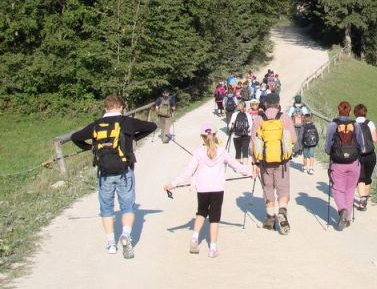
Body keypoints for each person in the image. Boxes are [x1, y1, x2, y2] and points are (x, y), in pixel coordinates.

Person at [71, 94, 156, 258]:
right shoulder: (127, 122)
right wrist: (134, 137)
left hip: (104, 173)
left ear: (105, 108)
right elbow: (151, 126)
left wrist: (91, 148)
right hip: (125, 171)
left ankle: (111, 243)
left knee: (106, 208)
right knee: (127, 206)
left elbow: (76, 137)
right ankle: (125, 234)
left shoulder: (96, 125)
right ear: (122, 107)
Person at [164, 123, 251, 258]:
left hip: (202, 189)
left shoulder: (198, 152)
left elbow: (188, 171)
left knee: (201, 213)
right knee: (214, 218)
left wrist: (173, 183)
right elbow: (236, 166)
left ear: (202, 137)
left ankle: (194, 237)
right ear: (215, 135)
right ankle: (213, 249)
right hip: (217, 189)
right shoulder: (222, 151)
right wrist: (249, 172)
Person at [251, 92, 296, 235]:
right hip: (282, 162)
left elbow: (252, 145)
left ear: (264, 104)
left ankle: (270, 219)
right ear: (278, 103)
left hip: (264, 162)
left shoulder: (258, 120)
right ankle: (282, 210)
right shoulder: (285, 118)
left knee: (268, 189)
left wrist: (255, 163)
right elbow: (293, 139)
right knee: (283, 189)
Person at [324, 101, 365, 230]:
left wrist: (331, 152)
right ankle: (347, 219)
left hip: (338, 163)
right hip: (354, 163)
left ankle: (342, 211)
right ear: (349, 111)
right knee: (350, 190)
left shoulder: (333, 125)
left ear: (338, 110)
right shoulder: (356, 125)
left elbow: (327, 145)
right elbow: (362, 145)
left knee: (338, 189)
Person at [353, 104, 377, 211]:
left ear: (355, 113)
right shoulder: (370, 123)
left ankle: (362, 200)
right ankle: (365, 200)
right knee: (367, 178)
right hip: (370, 155)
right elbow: (375, 139)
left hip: (358, 155)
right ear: (365, 112)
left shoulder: (353, 124)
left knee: (360, 179)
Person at [228, 101, 252, 166]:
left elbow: (231, 125)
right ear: (245, 107)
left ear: (238, 106)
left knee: (238, 151)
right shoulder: (248, 115)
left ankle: (237, 167)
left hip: (236, 135)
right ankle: (245, 167)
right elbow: (250, 126)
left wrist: (231, 129)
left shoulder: (234, 114)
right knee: (245, 151)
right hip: (246, 135)